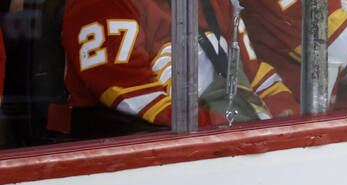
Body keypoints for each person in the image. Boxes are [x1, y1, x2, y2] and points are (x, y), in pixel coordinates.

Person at [59, 0, 298, 137]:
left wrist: (287, 121)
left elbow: (258, 76)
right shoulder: (103, 3)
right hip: (134, 172)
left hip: (215, 144)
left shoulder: (216, 2)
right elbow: (137, 100)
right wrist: (235, 128)